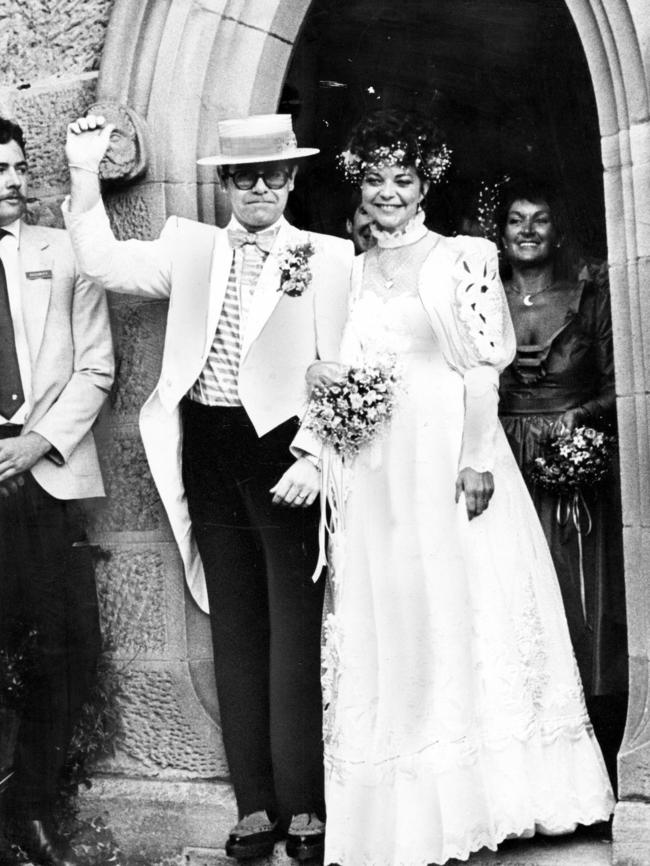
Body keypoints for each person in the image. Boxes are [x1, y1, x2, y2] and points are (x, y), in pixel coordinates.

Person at [307, 110, 615, 866]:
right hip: (377, 467)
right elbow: (339, 358)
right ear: (360, 184)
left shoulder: (463, 257)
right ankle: (406, 807)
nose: (387, 192)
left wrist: (477, 456)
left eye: (403, 179)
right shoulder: (346, 268)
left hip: (445, 452)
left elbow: (483, 366)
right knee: (395, 614)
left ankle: (492, 794)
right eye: (374, 178)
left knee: (461, 604)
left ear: (424, 186)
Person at [62, 112, 353, 862]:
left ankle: (305, 807)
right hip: (210, 451)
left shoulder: (327, 257)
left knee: (293, 628)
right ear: (223, 183)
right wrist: (83, 170)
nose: (259, 187)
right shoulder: (188, 248)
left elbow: (342, 365)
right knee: (234, 626)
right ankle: (254, 804)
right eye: (243, 175)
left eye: (274, 174)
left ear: (293, 179)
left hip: (282, 453)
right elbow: (100, 263)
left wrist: (314, 455)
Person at [0, 117, 114, 866]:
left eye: (15, 167)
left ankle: (30, 804)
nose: (10, 181)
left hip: (43, 470)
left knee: (62, 648)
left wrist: (36, 442)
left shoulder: (61, 253)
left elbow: (97, 366)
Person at [497, 179, 627, 784]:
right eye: (517, 220)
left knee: (577, 598)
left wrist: (575, 420)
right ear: (500, 232)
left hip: (567, 468)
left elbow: (615, 383)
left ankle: (590, 753)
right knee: (508, 602)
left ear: (558, 232)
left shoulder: (587, 296)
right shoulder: (481, 295)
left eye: (540, 219)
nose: (528, 230)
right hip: (498, 463)